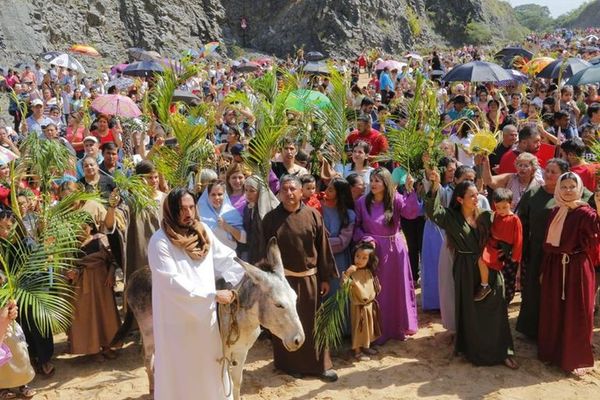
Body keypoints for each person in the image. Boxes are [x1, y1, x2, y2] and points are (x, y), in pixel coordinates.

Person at [148, 188, 245, 399]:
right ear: (171, 211)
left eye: (191, 207)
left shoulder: (203, 233)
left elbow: (226, 258)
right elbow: (172, 283)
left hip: (205, 321)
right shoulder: (160, 241)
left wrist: (242, 277)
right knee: (181, 374)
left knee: (209, 368)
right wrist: (212, 295)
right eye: (182, 209)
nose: (188, 213)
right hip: (175, 323)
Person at [425, 173, 517, 369]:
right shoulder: (451, 218)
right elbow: (433, 211)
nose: (478, 198)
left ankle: (503, 351)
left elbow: (507, 229)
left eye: (478, 194)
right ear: (460, 199)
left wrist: (504, 250)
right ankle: (472, 351)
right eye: (472, 196)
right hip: (465, 268)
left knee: (496, 308)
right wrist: (434, 185)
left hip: (490, 267)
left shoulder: (485, 215)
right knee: (471, 311)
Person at [260, 175, 338, 382]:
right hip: (283, 283)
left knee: (313, 323)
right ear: (280, 192)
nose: (289, 193)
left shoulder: (313, 215)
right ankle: (288, 365)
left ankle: (320, 366)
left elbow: (322, 248)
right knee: (286, 324)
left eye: (293, 189)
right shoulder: (270, 219)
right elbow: (263, 252)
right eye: (285, 189)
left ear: (301, 191)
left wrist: (325, 277)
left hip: (310, 280)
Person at [538, 172, 600, 376]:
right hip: (555, 266)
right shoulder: (555, 210)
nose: (567, 190)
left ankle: (574, 358)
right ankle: (553, 353)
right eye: (563, 186)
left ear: (579, 188)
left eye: (572, 186)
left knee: (577, 311)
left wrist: (599, 207)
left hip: (577, 268)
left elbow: (596, 232)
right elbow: (548, 244)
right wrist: (544, 271)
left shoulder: (586, 212)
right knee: (554, 310)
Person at [353, 168, 420, 344]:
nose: (373, 184)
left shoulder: (396, 199)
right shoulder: (362, 202)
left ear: (386, 183)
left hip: (395, 251)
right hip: (374, 252)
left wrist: (410, 190)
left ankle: (397, 328)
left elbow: (412, 213)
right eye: (372, 180)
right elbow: (357, 227)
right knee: (377, 291)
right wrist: (367, 240)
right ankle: (377, 330)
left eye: (378, 181)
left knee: (397, 290)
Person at [66, 221, 121, 359]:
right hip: (82, 286)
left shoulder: (100, 239)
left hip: (102, 283)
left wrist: (110, 274)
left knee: (105, 314)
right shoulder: (70, 246)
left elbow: (114, 259)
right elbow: (67, 267)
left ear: (90, 227)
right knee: (88, 316)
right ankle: (93, 349)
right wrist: (72, 274)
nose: (80, 231)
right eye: (76, 228)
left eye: (83, 227)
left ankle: (107, 346)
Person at [475, 188, 523, 302]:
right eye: (498, 207)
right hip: (493, 250)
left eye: (504, 207)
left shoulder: (514, 219)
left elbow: (518, 240)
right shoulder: (494, 216)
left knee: (508, 281)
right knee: (494, 277)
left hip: (508, 254)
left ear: (510, 204)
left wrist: (515, 257)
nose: (501, 210)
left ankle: (505, 302)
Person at [342, 241, 381, 362]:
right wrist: (347, 274)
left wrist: (378, 288)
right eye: (357, 256)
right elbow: (344, 285)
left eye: (364, 258)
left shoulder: (369, 272)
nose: (359, 260)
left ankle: (366, 346)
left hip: (369, 305)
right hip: (358, 306)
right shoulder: (351, 272)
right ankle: (358, 351)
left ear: (369, 260)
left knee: (368, 328)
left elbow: (373, 285)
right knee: (358, 329)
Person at [197, 180, 246, 251]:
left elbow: (244, 239)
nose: (217, 198)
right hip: (207, 255)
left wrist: (227, 226)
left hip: (228, 255)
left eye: (220, 194)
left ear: (224, 195)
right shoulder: (199, 213)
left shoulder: (231, 213)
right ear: (208, 196)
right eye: (213, 194)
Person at [241, 176, 279, 264]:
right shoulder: (248, 208)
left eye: (252, 191)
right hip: (253, 253)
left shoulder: (272, 210)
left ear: (260, 191)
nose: (248, 194)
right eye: (246, 190)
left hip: (268, 255)